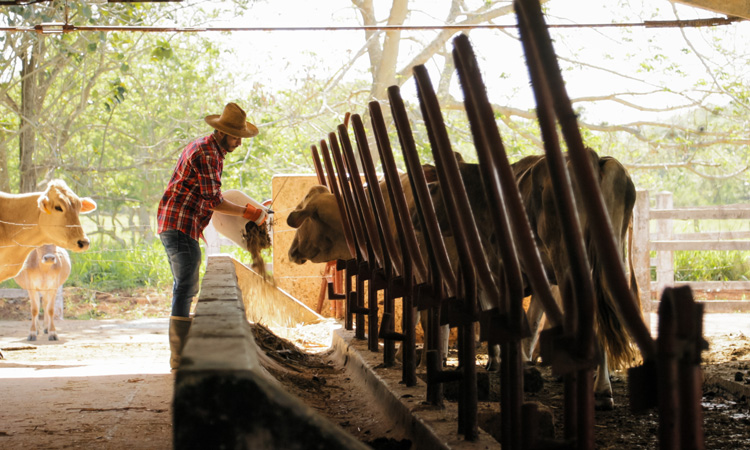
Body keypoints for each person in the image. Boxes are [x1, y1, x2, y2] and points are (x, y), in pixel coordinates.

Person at [157, 102, 268, 370]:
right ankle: (179, 357)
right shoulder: (209, 154)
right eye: (236, 137)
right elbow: (214, 200)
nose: (239, 143)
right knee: (186, 288)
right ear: (222, 134)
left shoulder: (204, 147)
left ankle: (180, 354)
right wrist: (252, 213)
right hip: (180, 224)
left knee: (183, 287)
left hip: (177, 223)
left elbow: (201, 197)